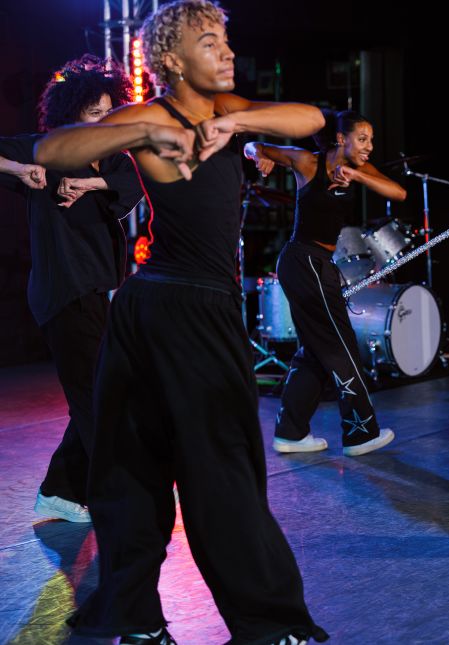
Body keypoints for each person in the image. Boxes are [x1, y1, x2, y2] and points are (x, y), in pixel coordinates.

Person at [35, 1, 328, 642]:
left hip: (179, 306)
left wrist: (242, 122)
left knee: (168, 467)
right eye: (209, 42)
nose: (225, 52)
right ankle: (265, 626)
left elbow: (312, 120)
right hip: (174, 307)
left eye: (226, 40)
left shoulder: (226, 112)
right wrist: (138, 135)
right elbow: (54, 149)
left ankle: (136, 617)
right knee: (201, 470)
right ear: (171, 61)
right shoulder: (153, 114)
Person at [0, 54, 142, 524]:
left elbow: (134, 189)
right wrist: (20, 172)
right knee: (99, 399)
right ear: (71, 113)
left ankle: (59, 491)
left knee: (105, 392)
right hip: (64, 292)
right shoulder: (44, 150)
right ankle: (121, 495)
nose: (104, 120)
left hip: (101, 292)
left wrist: (90, 183)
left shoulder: (117, 160)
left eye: (109, 112)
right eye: (93, 113)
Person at [244, 110, 406, 457]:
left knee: (316, 351)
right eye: (362, 139)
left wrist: (359, 177)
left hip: (319, 265)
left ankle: (290, 432)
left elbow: (399, 192)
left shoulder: (360, 169)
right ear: (340, 139)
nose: (369, 147)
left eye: (371, 140)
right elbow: (253, 144)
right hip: (302, 261)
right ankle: (361, 433)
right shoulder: (308, 163)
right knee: (340, 344)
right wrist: (259, 156)